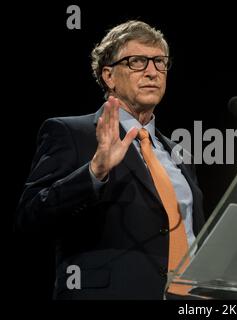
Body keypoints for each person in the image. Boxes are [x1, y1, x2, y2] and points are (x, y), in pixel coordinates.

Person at [15, 20, 205, 299]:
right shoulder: (72, 133)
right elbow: (29, 219)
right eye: (137, 62)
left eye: (160, 62)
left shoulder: (180, 154)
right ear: (109, 76)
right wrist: (94, 172)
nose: (152, 72)